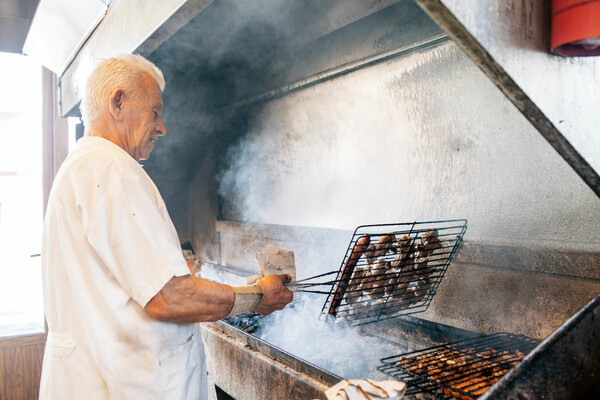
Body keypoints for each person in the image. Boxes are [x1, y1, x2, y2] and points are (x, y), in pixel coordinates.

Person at [39, 54, 293, 399]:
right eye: (155, 111)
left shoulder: (81, 167)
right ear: (118, 102)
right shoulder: (110, 169)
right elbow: (168, 297)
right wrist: (257, 297)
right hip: (131, 386)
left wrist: (237, 288)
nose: (162, 127)